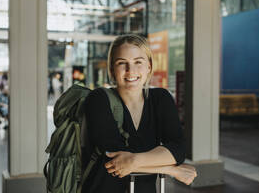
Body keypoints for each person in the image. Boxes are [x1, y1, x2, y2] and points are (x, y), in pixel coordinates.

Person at [83, 34, 197, 193]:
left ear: (149, 66)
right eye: (122, 63)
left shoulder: (161, 99)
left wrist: (134, 160)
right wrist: (171, 169)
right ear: (111, 69)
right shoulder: (99, 99)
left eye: (138, 62)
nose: (131, 71)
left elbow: (178, 149)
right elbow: (114, 161)